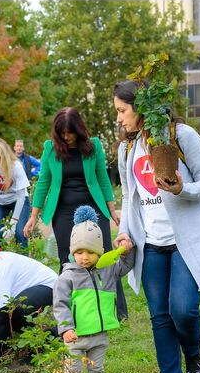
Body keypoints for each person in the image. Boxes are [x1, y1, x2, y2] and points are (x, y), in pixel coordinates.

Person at [111, 80, 200, 373]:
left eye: (122, 110)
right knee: (159, 316)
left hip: (184, 241)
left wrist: (180, 190)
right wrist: (125, 231)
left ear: (140, 107)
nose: (118, 118)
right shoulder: (126, 149)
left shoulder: (180, 137)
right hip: (150, 244)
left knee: (182, 309)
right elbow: (130, 196)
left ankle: (193, 354)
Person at [23, 107, 127, 320]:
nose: (66, 137)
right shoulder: (50, 148)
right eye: (62, 133)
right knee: (68, 258)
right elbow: (43, 182)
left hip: (94, 208)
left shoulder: (93, 146)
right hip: (63, 211)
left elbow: (102, 178)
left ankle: (117, 310)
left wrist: (112, 209)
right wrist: (33, 216)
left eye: (70, 132)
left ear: (79, 130)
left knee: (105, 255)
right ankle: (73, 311)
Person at [53, 206, 135, 373]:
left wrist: (126, 253)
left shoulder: (107, 269)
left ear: (99, 251)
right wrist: (66, 328)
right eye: (79, 252)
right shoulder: (68, 276)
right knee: (72, 370)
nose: (84, 257)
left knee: (97, 368)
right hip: (76, 335)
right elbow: (60, 304)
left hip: (100, 334)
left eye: (90, 252)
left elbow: (125, 266)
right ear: (73, 252)